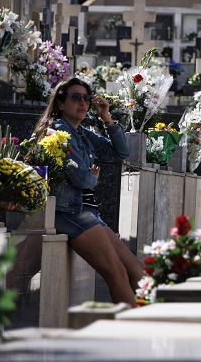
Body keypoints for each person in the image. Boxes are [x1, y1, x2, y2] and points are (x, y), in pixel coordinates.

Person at [32, 78, 143, 304]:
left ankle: (151, 320)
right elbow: (82, 179)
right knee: (117, 274)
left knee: (137, 270)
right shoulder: (57, 132)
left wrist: (107, 118)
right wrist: (92, 178)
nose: (82, 103)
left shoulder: (80, 132)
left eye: (86, 98)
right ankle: (134, 331)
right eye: (75, 98)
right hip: (66, 213)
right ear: (61, 104)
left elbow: (120, 153)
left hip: (84, 212)